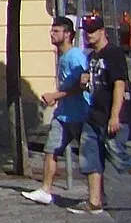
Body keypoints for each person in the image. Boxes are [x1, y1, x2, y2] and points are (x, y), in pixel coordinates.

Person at [71, 12, 131, 216]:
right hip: (95, 115)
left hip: (114, 116)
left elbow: (119, 85)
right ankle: (94, 201)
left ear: (102, 32)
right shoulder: (93, 56)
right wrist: (84, 83)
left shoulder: (113, 54)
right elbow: (95, 86)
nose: (88, 35)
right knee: (90, 156)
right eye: (86, 31)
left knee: (118, 156)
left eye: (92, 31)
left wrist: (115, 116)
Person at [21, 15, 88, 205]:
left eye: (56, 31)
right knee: (51, 150)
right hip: (63, 115)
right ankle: (45, 190)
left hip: (80, 114)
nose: (51, 34)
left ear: (68, 34)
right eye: (52, 30)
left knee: (98, 156)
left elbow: (81, 85)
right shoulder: (63, 56)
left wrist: (55, 96)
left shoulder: (75, 56)